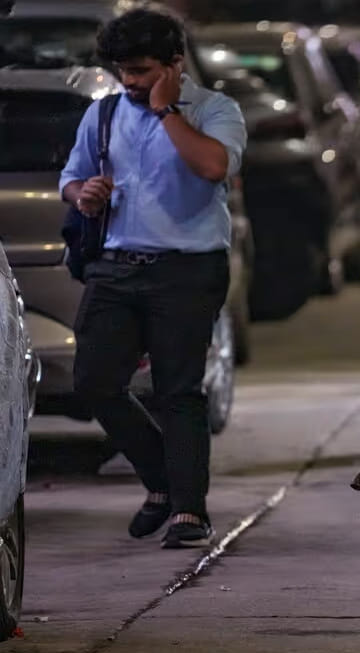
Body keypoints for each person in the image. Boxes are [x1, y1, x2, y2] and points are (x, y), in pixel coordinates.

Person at [60, 8, 247, 549]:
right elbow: (71, 179)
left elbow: (214, 166)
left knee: (178, 391)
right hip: (115, 267)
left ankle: (190, 511)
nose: (132, 82)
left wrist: (168, 115)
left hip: (187, 269)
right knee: (94, 381)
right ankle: (164, 482)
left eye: (142, 70)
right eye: (123, 71)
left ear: (175, 63)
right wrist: (84, 193)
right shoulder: (104, 115)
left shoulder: (216, 110)